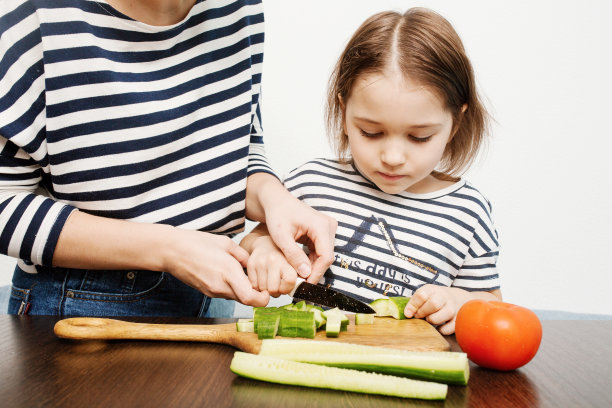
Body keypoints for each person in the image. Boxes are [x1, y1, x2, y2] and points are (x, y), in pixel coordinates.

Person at [0, 0, 336, 317]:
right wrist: (169, 249)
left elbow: (238, 143)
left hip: (213, 293)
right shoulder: (36, 24)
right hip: (80, 305)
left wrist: (273, 199)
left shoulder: (239, 10)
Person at [240, 7, 502, 334]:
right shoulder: (312, 183)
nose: (392, 157)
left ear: (456, 123)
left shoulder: (468, 213)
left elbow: (493, 307)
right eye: (371, 133)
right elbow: (254, 240)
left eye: (419, 137)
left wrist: (463, 303)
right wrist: (264, 250)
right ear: (344, 111)